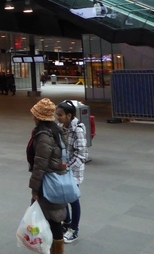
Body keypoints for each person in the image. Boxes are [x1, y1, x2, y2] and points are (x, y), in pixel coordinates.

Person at [27, 98, 67, 254]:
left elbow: (40, 165)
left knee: (50, 218)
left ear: (40, 117)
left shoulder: (43, 136)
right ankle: (54, 249)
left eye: (34, 114)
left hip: (48, 182)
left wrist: (34, 189)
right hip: (58, 178)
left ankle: (52, 250)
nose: (33, 117)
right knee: (54, 218)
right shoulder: (56, 131)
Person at [56, 100, 88, 244]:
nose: (58, 117)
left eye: (60, 115)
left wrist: (67, 168)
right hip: (62, 168)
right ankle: (67, 223)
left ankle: (74, 229)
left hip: (73, 171)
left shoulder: (78, 130)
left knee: (72, 199)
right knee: (63, 198)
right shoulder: (61, 126)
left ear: (69, 116)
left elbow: (82, 155)